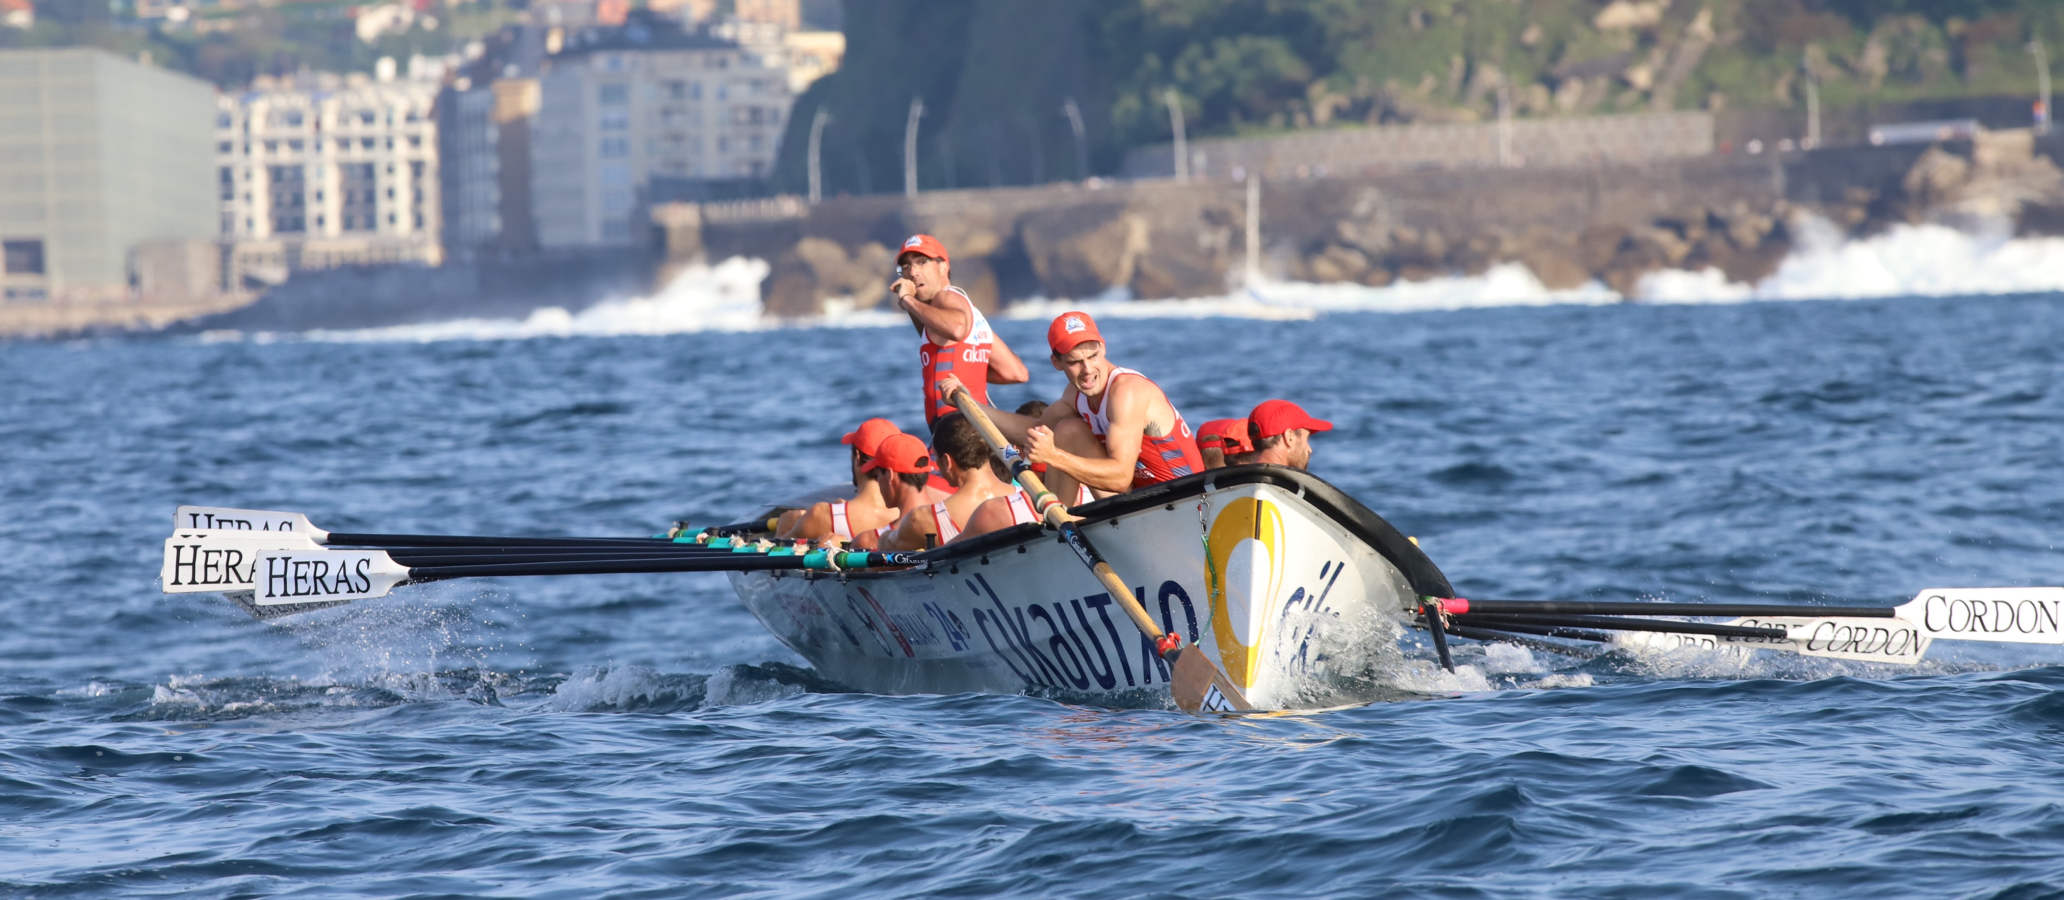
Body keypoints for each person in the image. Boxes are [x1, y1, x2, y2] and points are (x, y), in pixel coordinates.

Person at [942, 310, 1202, 497]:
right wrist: (970, 405)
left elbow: (1121, 479)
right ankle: (1058, 532)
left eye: (1092, 356)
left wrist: (1053, 456)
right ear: (1056, 362)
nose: (1087, 370)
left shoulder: (1126, 392)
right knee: (1067, 430)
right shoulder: (1074, 395)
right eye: (1075, 362)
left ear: (1103, 348)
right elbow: (1032, 432)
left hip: (1185, 500)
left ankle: (1061, 535)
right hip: (1142, 503)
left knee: (1065, 434)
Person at [890, 234, 1029, 426]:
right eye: (906, 267)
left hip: (955, 432)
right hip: (975, 432)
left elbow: (956, 329)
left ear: (943, 266)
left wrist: (907, 299)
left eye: (922, 262)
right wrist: (971, 372)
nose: (913, 272)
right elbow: (1015, 373)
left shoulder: (944, 299)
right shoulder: (973, 313)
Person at [877, 412, 1021, 550]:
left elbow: (886, 546)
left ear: (946, 461)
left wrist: (883, 537)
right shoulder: (1027, 498)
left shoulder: (922, 519)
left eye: (936, 458)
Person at [776, 417, 905, 543]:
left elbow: (776, 553)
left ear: (858, 457)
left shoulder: (821, 516)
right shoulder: (906, 518)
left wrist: (784, 527)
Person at [848, 433, 953, 549]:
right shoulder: (955, 520)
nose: (878, 483)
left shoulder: (868, 541)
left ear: (889, 475)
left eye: (877, 476)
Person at [1246, 399, 1332, 470]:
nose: (1309, 449)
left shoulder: (1237, 482)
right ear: (1289, 437)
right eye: (1306, 439)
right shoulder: (1282, 488)